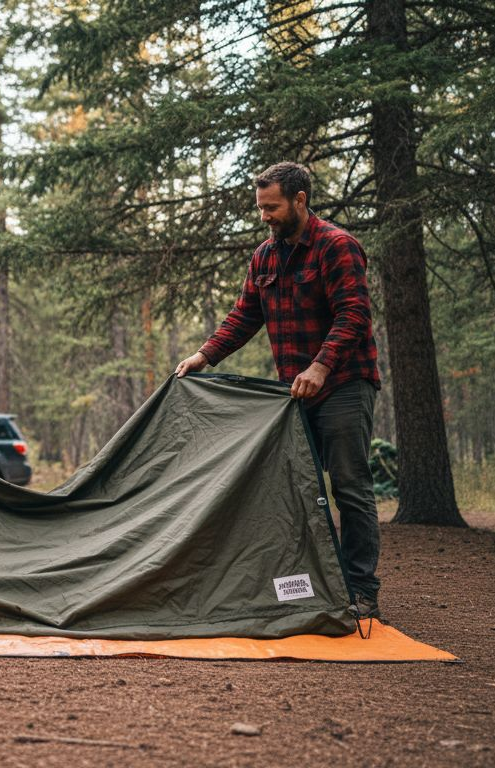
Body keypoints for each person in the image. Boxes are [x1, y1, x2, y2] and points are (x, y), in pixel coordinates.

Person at [173, 162, 383, 618]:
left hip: (344, 383)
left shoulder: (337, 246)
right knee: (297, 488)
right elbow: (244, 316)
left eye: (272, 207)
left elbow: (354, 316)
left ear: (300, 200)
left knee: (349, 486)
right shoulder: (265, 257)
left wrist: (321, 367)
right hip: (296, 394)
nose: (264, 216)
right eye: (260, 208)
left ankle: (362, 591)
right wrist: (204, 356)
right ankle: (314, 585)